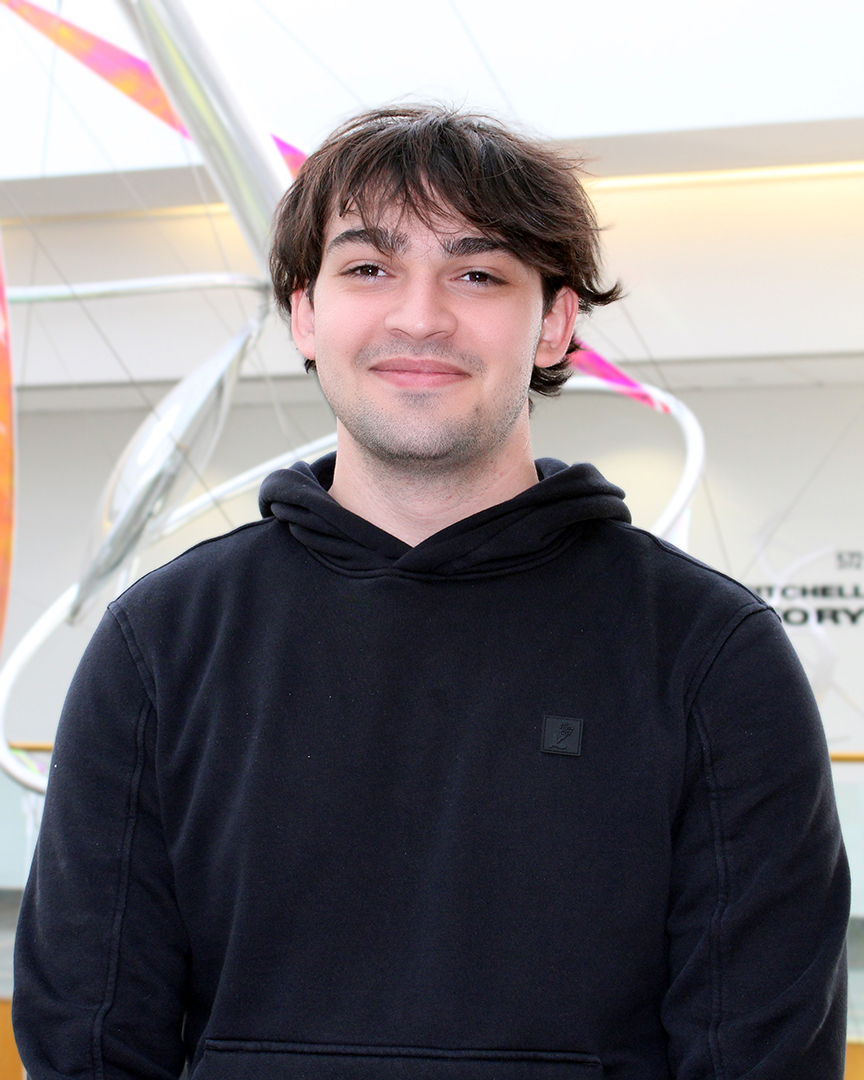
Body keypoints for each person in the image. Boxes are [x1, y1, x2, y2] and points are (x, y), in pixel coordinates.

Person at [14, 105, 849, 1079]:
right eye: (369, 268)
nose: (420, 315)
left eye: (478, 273)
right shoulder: (162, 642)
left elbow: (763, 1054)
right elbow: (90, 1038)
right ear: (305, 314)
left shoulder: (711, 654)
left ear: (556, 323)